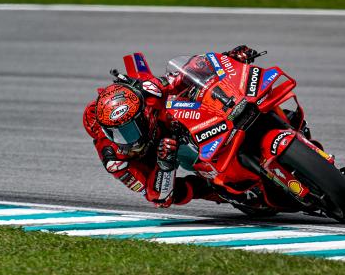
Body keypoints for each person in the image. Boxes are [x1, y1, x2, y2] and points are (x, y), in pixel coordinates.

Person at [82, 45, 259, 208]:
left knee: (195, 89)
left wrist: (228, 58)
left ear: (142, 117)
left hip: (168, 120)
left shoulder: (149, 93)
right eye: (116, 134)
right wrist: (164, 164)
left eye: (128, 131)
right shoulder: (115, 160)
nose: (125, 140)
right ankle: (220, 191)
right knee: (176, 194)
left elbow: (185, 73)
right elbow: (157, 197)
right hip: (158, 155)